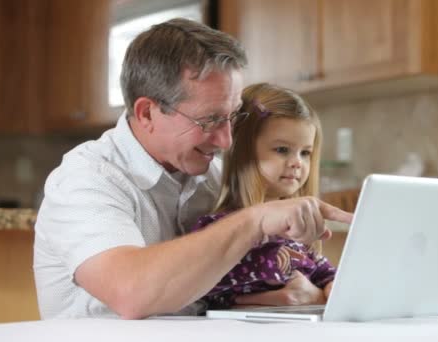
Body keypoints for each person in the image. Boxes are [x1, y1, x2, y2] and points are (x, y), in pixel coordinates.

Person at [33, 18, 352, 320]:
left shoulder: (213, 177)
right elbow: (131, 292)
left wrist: (308, 296)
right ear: (147, 113)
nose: (226, 141)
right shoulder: (88, 179)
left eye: (234, 116)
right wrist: (254, 220)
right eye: (210, 120)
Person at [190, 83, 336, 309]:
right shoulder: (216, 228)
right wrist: (278, 263)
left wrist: (331, 286)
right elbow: (207, 292)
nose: (297, 162)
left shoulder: (296, 230)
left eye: (305, 152)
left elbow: (322, 270)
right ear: (242, 153)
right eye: (282, 150)